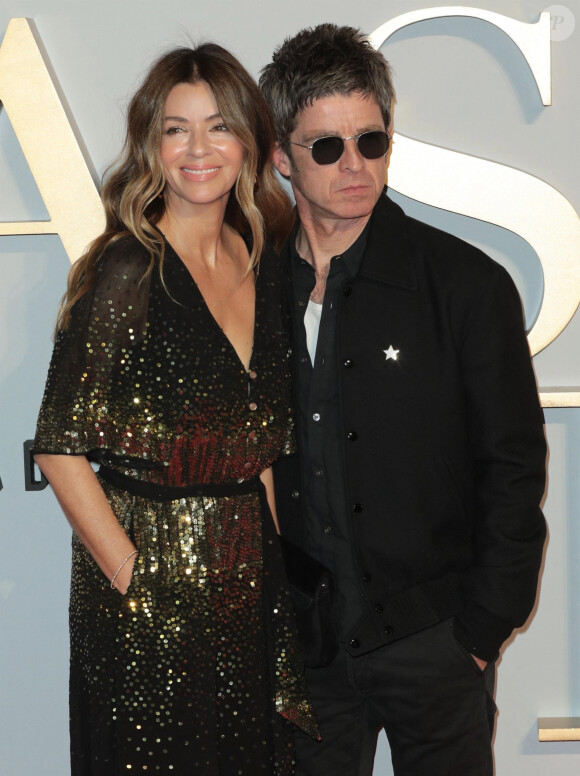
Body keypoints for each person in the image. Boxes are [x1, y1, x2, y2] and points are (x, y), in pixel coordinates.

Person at [260, 23, 547, 776]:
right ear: (280, 157)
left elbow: (514, 469)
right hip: (306, 654)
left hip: (436, 643)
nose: (353, 164)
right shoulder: (248, 295)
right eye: (326, 146)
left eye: (372, 141)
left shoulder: (465, 286)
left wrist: (481, 629)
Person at [32, 43, 318, 775]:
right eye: (175, 129)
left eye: (219, 127)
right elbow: (61, 448)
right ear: (152, 146)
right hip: (148, 594)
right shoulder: (128, 268)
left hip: (246, 585)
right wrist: (135, 578)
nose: (198, 149)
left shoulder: (261, 260)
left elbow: (254, 457)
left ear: (249, 144)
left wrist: (278, 576)